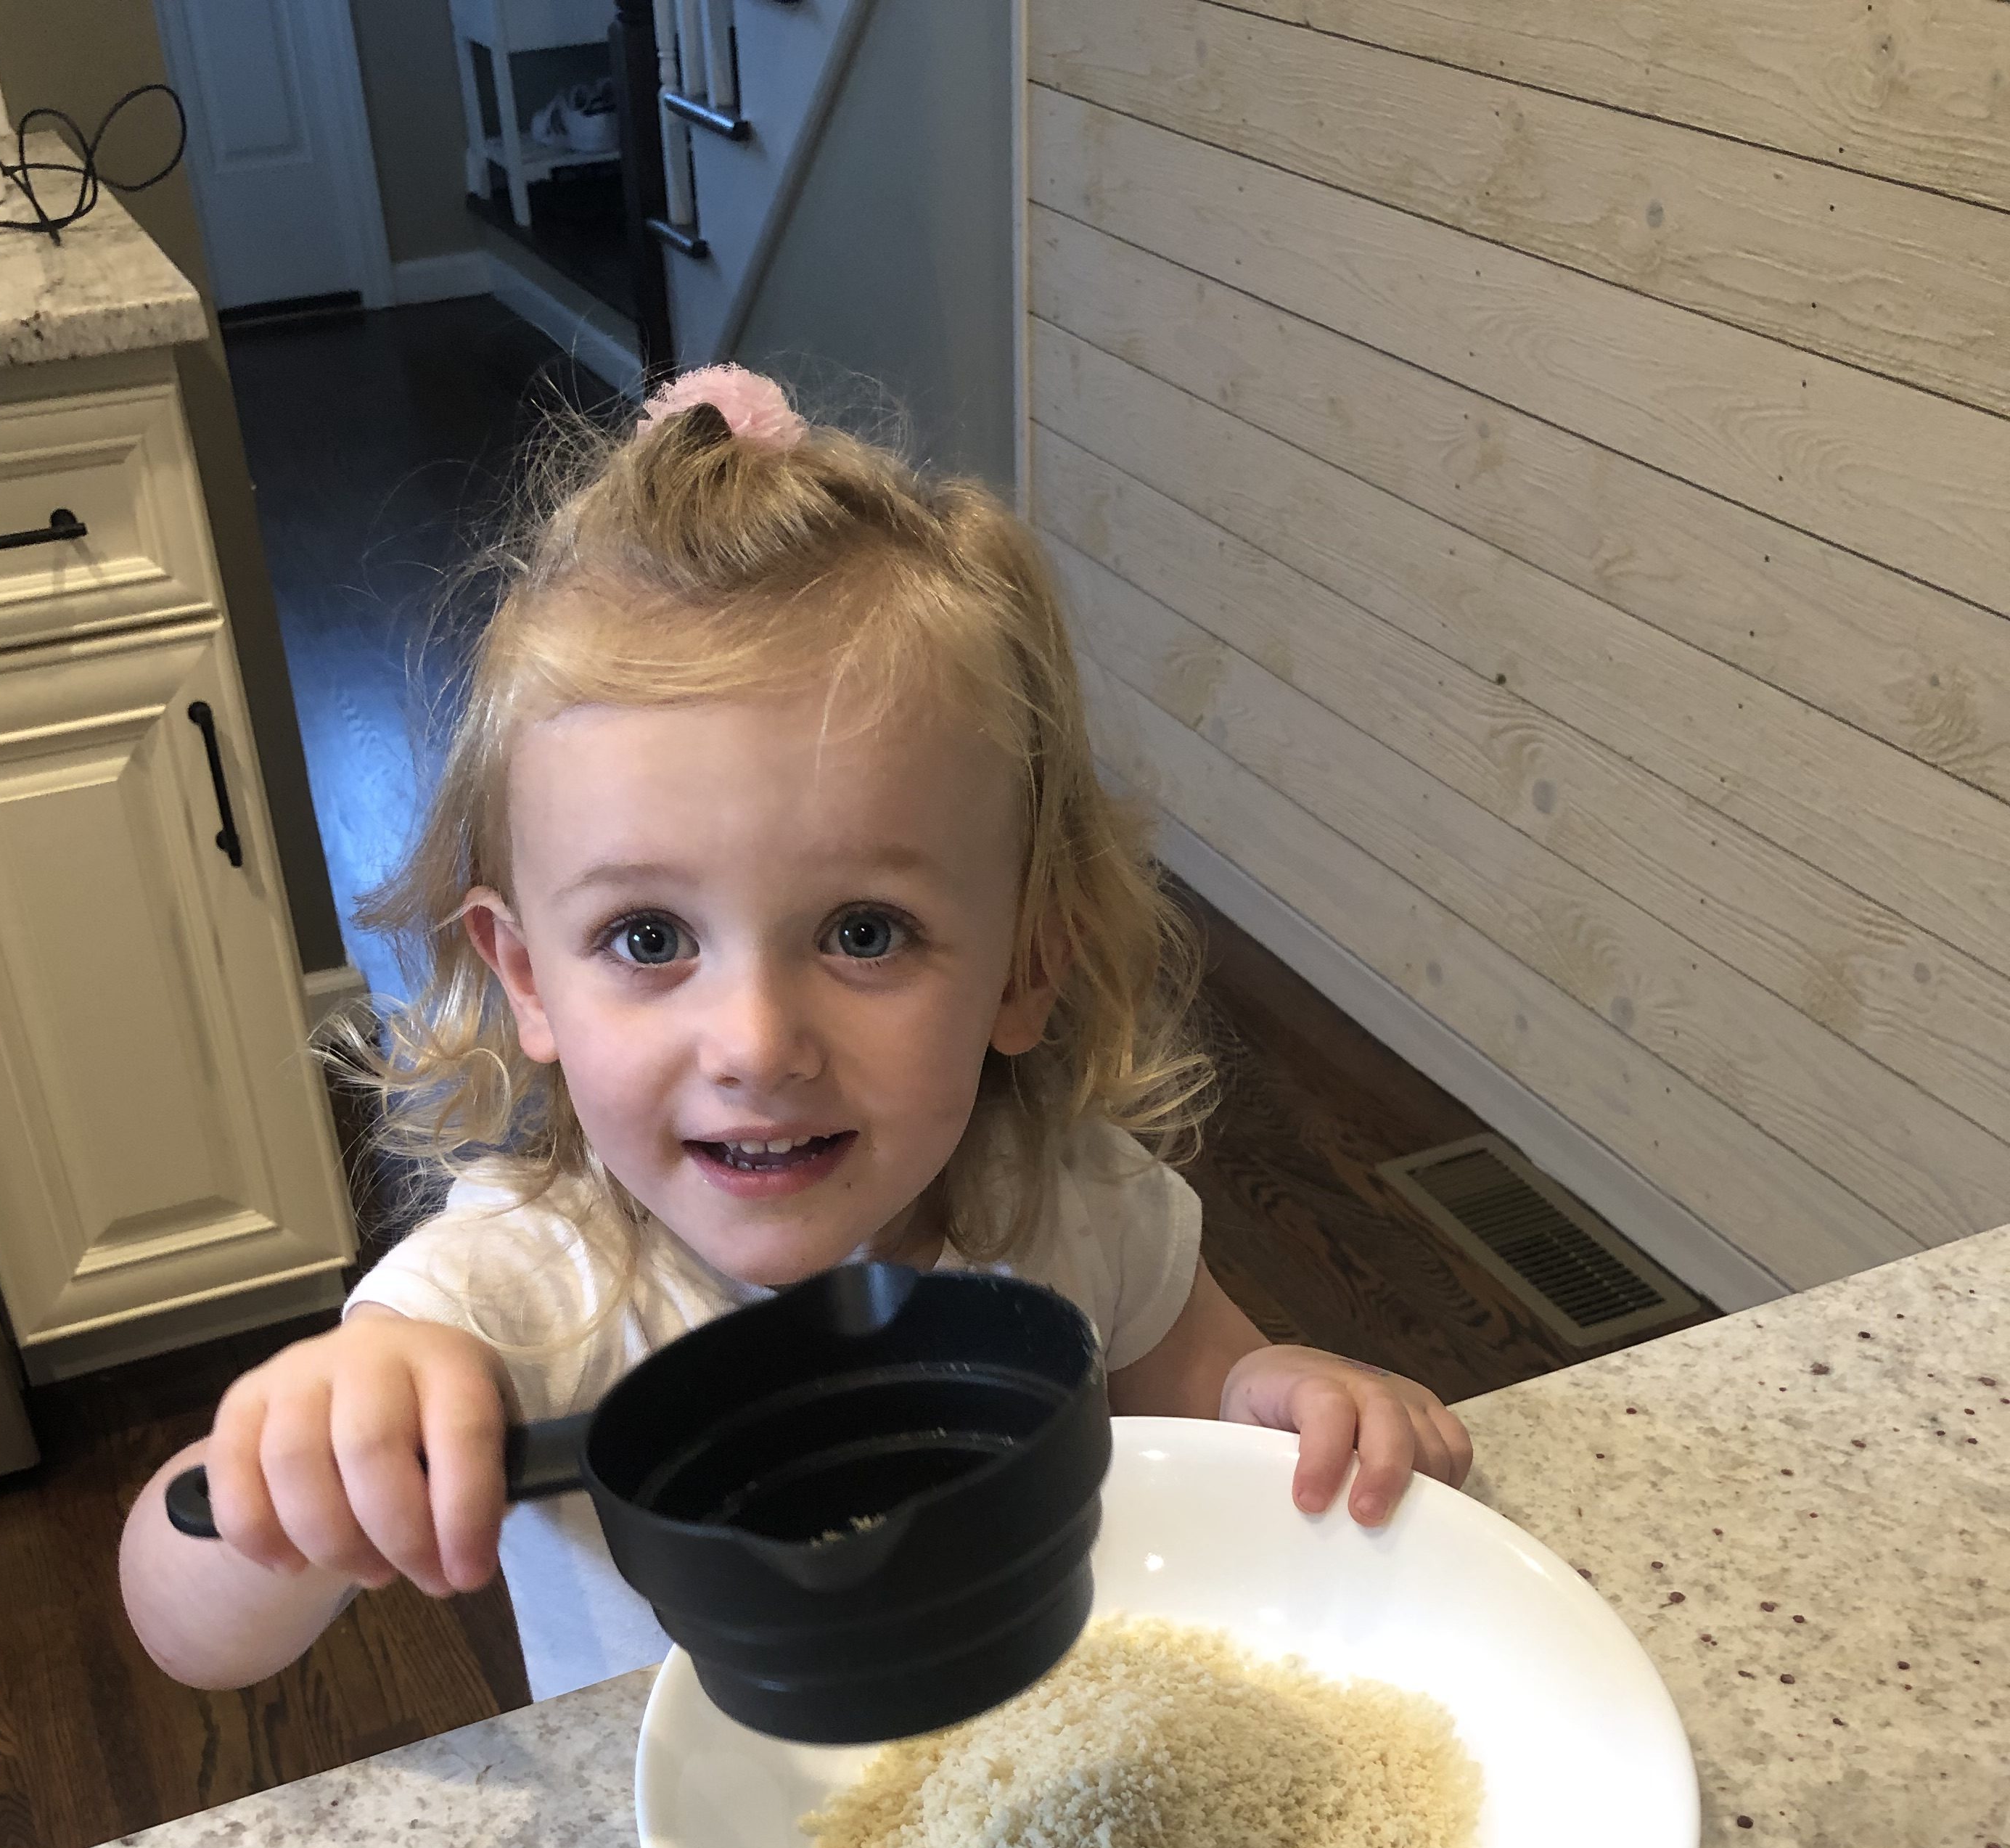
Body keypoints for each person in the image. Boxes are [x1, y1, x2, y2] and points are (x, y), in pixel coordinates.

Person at [120, 366, 1472, 1701]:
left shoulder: (1072, 1211)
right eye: (648, 939)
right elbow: (189, 1626)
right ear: (526, 977)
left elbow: (1211, 1395)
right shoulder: (508, 1303)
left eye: (864, 933)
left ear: (1026, 964)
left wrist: (1281, 1399)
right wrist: (296, 1475)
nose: (757, 1044)